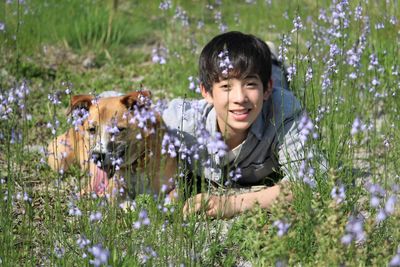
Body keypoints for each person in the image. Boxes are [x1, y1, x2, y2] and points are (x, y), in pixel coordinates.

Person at [162, 31, 305, 219]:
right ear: (206, 92)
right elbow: (124, 121)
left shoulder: (284, 112)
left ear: (266, 88)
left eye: (250, 84)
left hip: (271, 96)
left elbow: (307, 180)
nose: (239, 98)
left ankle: (272, 60)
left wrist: (232, 204)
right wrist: (110, 168)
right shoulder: (181, 123)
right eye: (226, 87)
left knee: (275, 77)